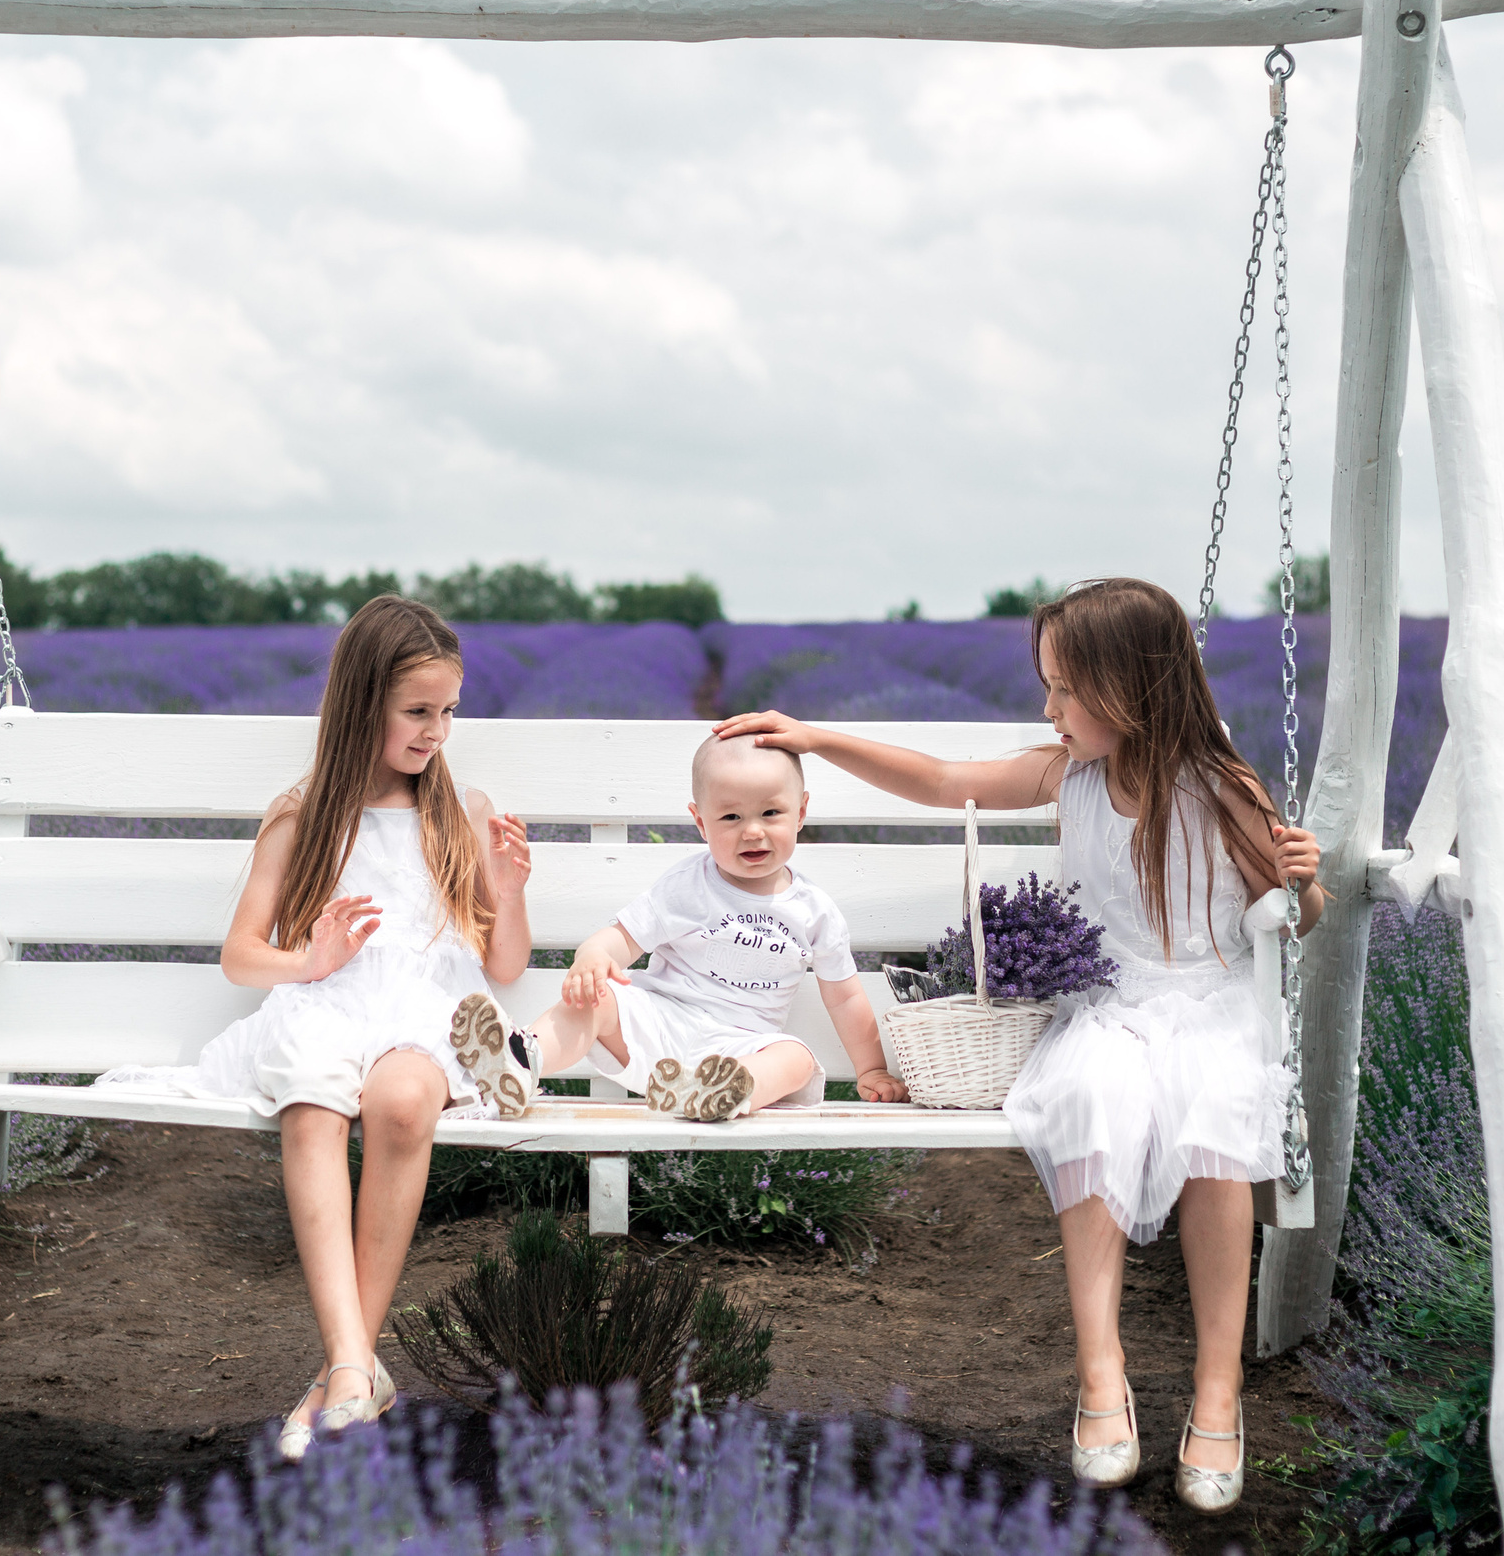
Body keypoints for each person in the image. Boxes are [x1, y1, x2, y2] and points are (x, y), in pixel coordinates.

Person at [712, 577, 1321, 1515]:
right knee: (1090, 1098)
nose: (1050, 710)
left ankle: (1215, 1389)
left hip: (1208, 1006)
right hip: (1109, 1007)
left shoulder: (1219, 784)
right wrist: (818, 737)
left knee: (1215, 1121)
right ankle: (1100, 1372)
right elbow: (942, 782)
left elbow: (1290, 917)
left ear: (1131, 686)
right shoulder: (1063, 774)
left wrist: (1301, 883)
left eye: (1065, 691)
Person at [95, 597, 533, 1462]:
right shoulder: (303, 815)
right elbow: (241, 954)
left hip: (426, 1011)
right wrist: (314, 957)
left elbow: (506, 964)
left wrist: (511, 889)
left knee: (405, 1101)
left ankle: (342, 1373)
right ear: (362, 701)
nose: (438, 730)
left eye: (449, 710)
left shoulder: (461, 809)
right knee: (312, 1097)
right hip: (327, 998)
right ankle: (352, 1367)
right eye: (418, 712)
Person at [451, 731, 907, 1123]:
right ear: (700, 822)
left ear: (801, 812)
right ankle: (520, 1060)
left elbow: (844, 994)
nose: (752, 831)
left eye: (770, 813)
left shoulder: (814, 911)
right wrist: (593, 956)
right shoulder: (688, 886)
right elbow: (623, 938)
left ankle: (724, 1093)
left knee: (798, 1059)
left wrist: (870, 1070)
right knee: (598, 1000)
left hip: (742, 1043)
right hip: (658, 1026)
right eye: (731, 817)